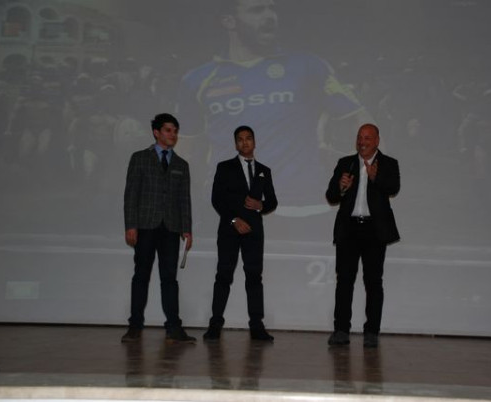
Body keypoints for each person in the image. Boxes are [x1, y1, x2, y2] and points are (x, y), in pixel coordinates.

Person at [177, 0, 371, 232]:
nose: (270, 16)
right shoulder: (198, 79)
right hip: (229, 210)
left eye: (272, 8)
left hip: (302, 209)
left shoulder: (307, 66)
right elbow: (184, 151)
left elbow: (360, 122)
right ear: (229, 21)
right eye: (257, 10)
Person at [121, 113, 195, 344]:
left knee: (169, 279)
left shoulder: (181, 165)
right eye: (168, 130)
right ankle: (135, 326)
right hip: (145, 226)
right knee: (141, 276)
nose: (173, 134)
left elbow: (184, 200)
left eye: (175, 131)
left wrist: (187, 229)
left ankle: (174, 327)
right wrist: (131, 225)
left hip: (170, 229)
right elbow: (131, 194)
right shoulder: (140, 158)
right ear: (156, 132)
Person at [325, 123, 400, 348]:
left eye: (367, 138)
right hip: (349, 229)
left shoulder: (388, 163)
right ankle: (341, 330)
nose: (362, 142)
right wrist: (341, 187)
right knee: (344, 281)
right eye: (359, 137)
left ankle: (372, 332)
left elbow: (393, 188)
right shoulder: (345, 163)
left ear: (377, 141)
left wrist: (376, 178)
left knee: (373, 282)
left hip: (374, 230)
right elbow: (331, 195)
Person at [203, 125, 277, 341]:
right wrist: (234, 220)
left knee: (254, 277)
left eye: (248, 138)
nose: (245, 142)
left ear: (254, 142)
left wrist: (261, 205)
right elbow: (217, 199)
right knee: (223, 276)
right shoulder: (224, 167)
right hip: (229, 230)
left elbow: (272, 201)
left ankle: (257, 325)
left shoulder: (264, 170)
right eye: (240, 139)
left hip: (254, 232)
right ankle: (215, 324)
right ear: (236, 144)